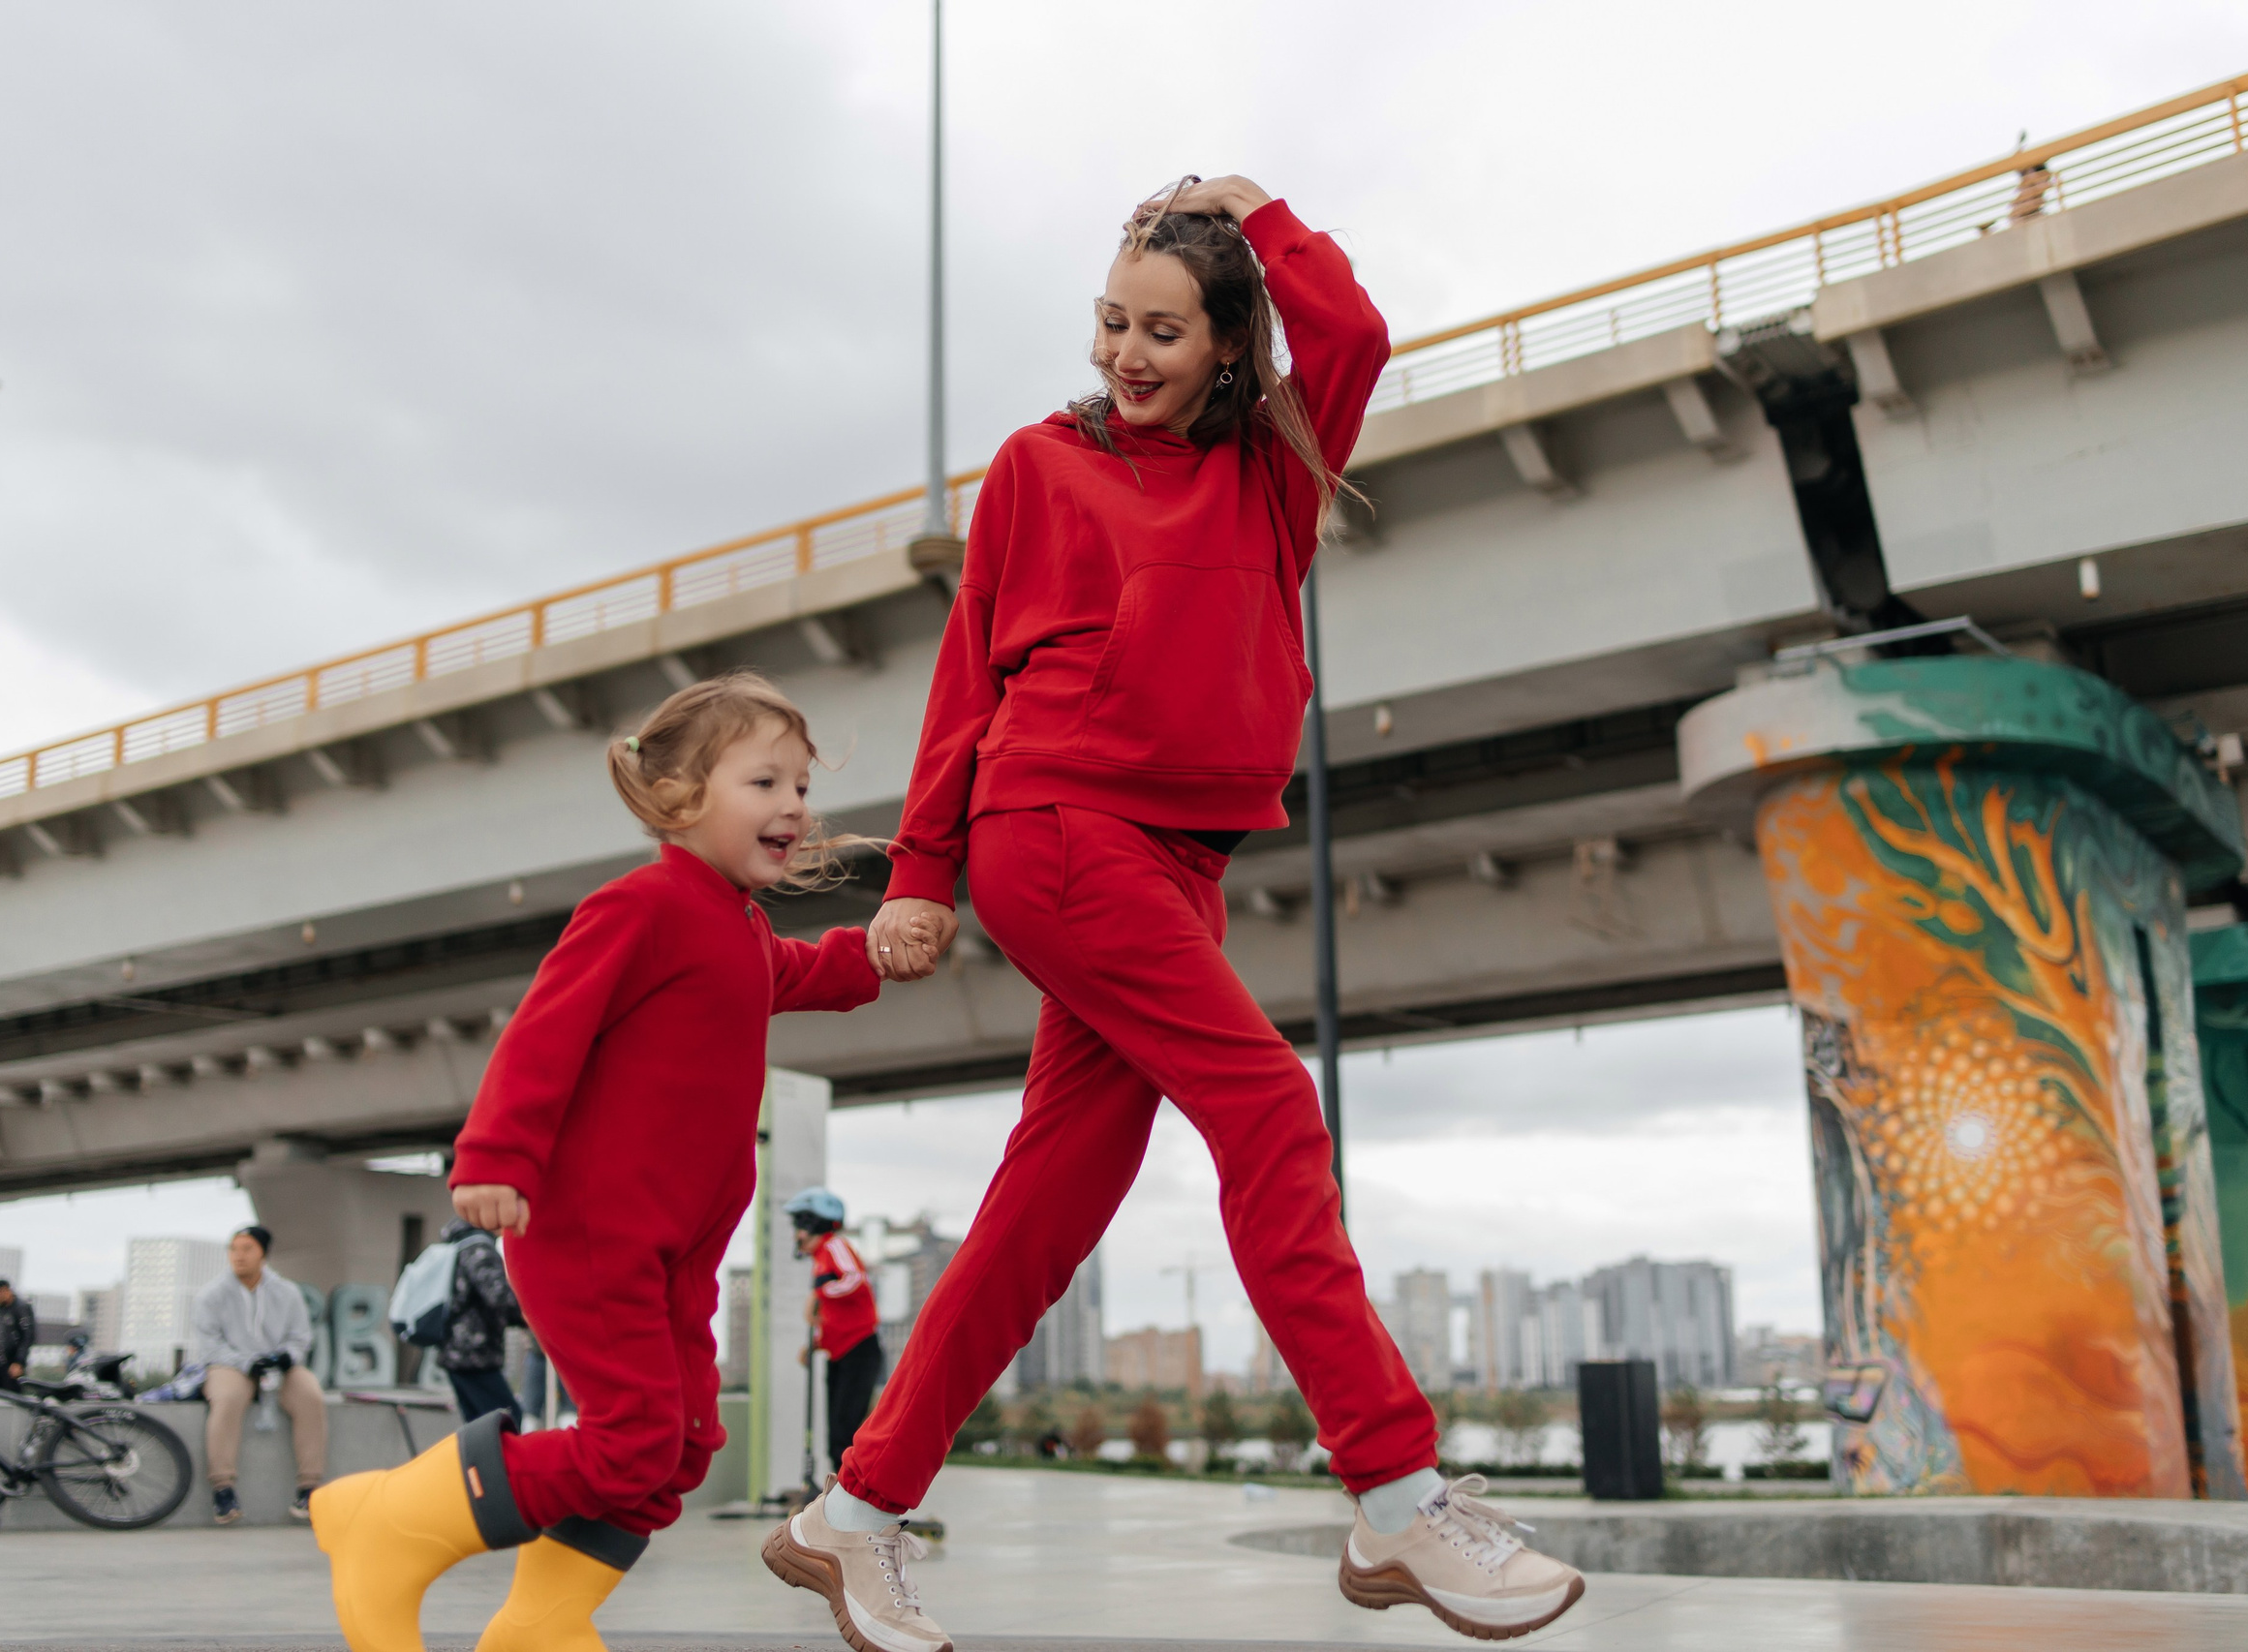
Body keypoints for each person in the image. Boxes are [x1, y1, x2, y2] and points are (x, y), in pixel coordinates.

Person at [764, 176, 1586, 1648]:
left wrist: (1258, 203)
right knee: (1270, 1107)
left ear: (1225, 346)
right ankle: (1399, 1499)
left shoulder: (1271, 472)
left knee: (1050, 1201)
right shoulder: (1035, 465)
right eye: (1109, 322)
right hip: (1058, 826)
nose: (1126, 354)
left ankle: (856, 1513)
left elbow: (1356, 329)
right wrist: (921, 872)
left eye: (1161, 329)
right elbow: (969, 677)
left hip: (1177, 860)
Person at [310, 672, 917, 1652]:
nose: (795, 806)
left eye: (801, 785)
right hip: (593, 1231)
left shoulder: (742, 930)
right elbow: (545, 1029)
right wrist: (498, 1153)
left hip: (677, 1244)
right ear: (678, 797)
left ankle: (541, 1622)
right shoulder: (638, 905)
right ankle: (386, 1522)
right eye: (765, 781)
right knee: (631, 1436)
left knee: (679, 1445)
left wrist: (882, 949)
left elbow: (808, 970)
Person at [190, 1225, 325, 1525]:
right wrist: (246, 1362)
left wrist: (287, 1357)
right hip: (230, 1365)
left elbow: (301, 1336)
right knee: (226, 1399)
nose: (239, 1256)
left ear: (263, 1253)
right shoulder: (211, 1295)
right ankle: (223, 1489)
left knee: (311, 1395)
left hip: (279, 1365)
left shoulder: (287, 1292)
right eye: (234, 1249)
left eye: (247, 1249)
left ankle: (309, 1488)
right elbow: (210, 1346)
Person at [784, 1188, 882, 1476]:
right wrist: (815, 1342)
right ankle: (838, 1495)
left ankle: (852, 1498)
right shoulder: (820, 1259)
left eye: (799, 1227)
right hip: (841, 1353)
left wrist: (820, 1293)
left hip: (859, 1349)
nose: (796, 1236)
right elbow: (835, 1317)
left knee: (846, 1431)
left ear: (815, 1225)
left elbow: (855, 1279)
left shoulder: (834, 1246)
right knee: (836, 1436)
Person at [433, 1213, 526, 1428]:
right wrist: (529, 1317)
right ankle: (493, 1464)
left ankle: (477, 1463)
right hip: (475, 1351)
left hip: (455, 1349)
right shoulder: (478, 1247)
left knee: (478, 1425)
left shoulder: (458, 1242)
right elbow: (498, 1296)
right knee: (506, 1420)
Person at [0, 1280, 35, 1391]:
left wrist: (19, 1362)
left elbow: (27, 1337)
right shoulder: (1, 1308)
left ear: (4, 1291)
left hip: (11, 1362)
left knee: (11, 1396)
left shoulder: (21, 1307)